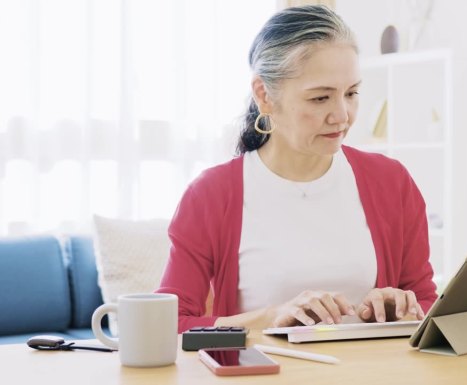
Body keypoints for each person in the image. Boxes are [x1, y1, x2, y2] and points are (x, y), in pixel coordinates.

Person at [157, 5, 437, 333]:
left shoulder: (392, 182)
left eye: (351, 93)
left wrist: (405, 310)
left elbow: (426, 302)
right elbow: (167, 326)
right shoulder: (211, 195)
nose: (342, 115)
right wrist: (270, 319)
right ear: (264, 95)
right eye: (320, 98)